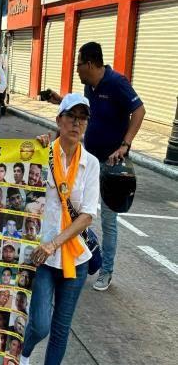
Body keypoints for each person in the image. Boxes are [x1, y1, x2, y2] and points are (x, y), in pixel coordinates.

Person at [16, 94, 100, 365]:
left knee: (62, 329)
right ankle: (21, 355)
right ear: (59, 120)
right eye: (72, 116)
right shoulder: (42, 154)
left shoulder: (90, 163)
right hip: (41, 257)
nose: (78, 123)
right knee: (39, 323)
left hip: (73, 257)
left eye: (83, 118)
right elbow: (20, 189)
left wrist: (54, 244)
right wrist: (33, 151)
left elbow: (87, 216)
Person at [49, 42, 145, 292]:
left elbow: (140, 110)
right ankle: (80, 257)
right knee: (76, 210)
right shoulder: (89, 86)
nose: (77, 70)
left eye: (78, 65)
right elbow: (87, 116)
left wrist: (125, 144)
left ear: (89, 64)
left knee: (108, 220)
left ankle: (106, 270)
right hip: (88, 160)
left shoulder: (117, 83)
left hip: (112, 164)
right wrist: (60, 102)